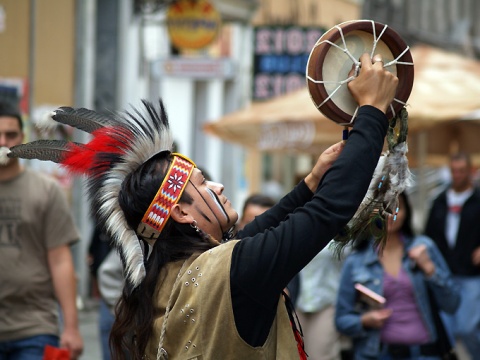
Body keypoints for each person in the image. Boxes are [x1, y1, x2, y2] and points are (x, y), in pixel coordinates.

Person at [0, 53, 398, 359]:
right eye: (203, 183)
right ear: (181, 212)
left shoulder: (171, 275)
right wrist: (372, 112)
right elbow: (328, 212)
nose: (219, 185)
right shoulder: (231, 272)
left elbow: (252, 238)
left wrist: (310, 183)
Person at [0, 102, 83, 359]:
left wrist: (70, 327)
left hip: (35, 327)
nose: (3, 142)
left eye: (11, 135)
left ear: (22, 138)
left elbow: (60, 260)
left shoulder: (46, 191)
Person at [335, 192, 460, 359]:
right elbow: (341, 320)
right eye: (382, 208)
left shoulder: (424, 248)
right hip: (376, 354)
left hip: (425, 353)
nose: (389, 214)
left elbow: (452, 304)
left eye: (396, 206)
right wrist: (364, 321)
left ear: (407, 211)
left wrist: (430, 269)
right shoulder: (356, 261)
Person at [424, 152, 480, 357]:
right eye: (453, 171)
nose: (457, 175)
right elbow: (428, 235)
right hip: (444, 273)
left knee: (467, 328)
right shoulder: (439, 201)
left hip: (470, 274)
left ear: (470, 172)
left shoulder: (477, 199)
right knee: (445, 330)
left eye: (461, 171)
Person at [296, 241, 350, 360]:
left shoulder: (341, 228)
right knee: (292, 353)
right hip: (295, 302)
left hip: (327, 302)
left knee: (320, 355)